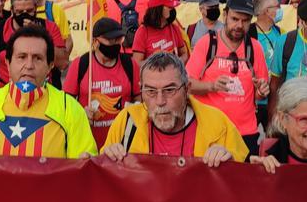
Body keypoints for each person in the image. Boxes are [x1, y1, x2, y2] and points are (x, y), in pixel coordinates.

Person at [0, 25, 96, 158]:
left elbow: (83, 168)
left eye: (37, 58)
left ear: (50, 66)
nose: (29, 66)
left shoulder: (70, 110)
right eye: (22, 57)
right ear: (8, 63)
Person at [101, 51, 247, 166]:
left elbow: (246, 179)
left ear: (186, 89)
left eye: (169, 90)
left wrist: (230, 162)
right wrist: (106, 160)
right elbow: (104, 181)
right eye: (151, 91)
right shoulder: (127, 122)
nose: (160, 101)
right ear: (141, 90)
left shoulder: (218, 124)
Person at [186, 0, 270, 153]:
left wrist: (261, 91)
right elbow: (188, 85)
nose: (239, 25)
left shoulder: (255, 48)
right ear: (225, 16)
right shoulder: (207, 43)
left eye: (245, 21)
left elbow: (259, 93)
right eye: (234, 19)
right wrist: (212, 86)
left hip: (245, 133)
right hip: (211, 132)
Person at [63, 18, 139, 146]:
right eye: (110, 40)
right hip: (88, 142)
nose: (115, 44)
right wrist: (81, 113)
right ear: (95, 41)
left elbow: (139, 97)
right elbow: (65, 103)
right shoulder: (80, 64)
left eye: (118, 39)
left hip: (122, 144)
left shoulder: (129, 64)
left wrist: (135, 108)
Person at [0, 0, 65, 84]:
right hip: (7, 91)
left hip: (41, 91)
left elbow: (62, 63)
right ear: (12, 10)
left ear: (36, 8)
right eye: (19, 12)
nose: (24, 15)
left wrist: (40, 34)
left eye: (29, 11)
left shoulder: (49, 27)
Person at [132, 0, 189, 65]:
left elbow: (185, 54)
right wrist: (155, 59)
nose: (171, 9)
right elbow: (136, 63)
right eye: (168, 6)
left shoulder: (174, 28)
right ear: (158, 9)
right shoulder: (142, 32)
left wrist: (177, 62)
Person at [252, 0, 285, 71]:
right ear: (267, 11)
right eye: (278, 6)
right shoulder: (248, 33)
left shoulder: (281, 32)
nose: (280, 9)